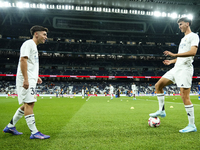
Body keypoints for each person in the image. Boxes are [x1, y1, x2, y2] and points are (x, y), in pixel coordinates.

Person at [149, 17, 199, 133]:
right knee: (158, 85)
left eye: (181, 24)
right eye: (179, 25)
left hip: (185, 70)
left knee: (184, 97)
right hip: (176, 68)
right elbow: (182, 56)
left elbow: (192, 53)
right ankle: (161, 110)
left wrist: (174, 54)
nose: (179, 27)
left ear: (187, 24)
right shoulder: (183, 39)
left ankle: (192, 125)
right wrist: (171, 61)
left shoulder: (194, 36)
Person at [3, 25, 50, 139]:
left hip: (31, 78)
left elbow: (30, 63)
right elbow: (23, 60)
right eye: (44, 34)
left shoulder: (33, 46)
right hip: (26, 78)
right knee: (29, 104)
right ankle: (34, 132)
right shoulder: (28, 44)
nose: (46, 37)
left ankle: (10, 126)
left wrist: (36, 76)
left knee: (27, 104)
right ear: (36, 34)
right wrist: (26, 78)